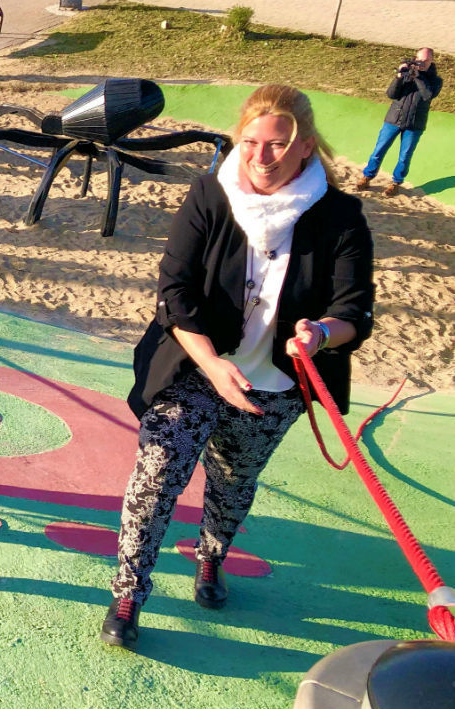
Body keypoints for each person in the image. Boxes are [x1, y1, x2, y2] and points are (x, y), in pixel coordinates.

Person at [100, 85, 375, 651]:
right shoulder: (209, 193)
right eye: (250, 141)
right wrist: (213, 364)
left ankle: (210, 557)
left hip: (272, 384)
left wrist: (321, 333)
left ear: (304, 148)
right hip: (194, 367)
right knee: (155, 477)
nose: (260, 155)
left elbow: (355, 310)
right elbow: (173, 291)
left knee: (233, 481)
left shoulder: (340, 214)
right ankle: (128, 592)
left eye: (277, 144)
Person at [356, 47, 442, 197]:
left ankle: (396, 183)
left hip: (415, 125)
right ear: (415, 58)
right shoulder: (407, 73)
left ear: (431, 61)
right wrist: (399, 77)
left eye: (425, 60)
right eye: (419, 60)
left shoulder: (436, 80)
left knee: (405, 156)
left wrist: (418, 76)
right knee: (379, 150)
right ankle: (367, 176)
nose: (421, 63)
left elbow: (427, 95)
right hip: (393, 119)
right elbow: (391, 94)